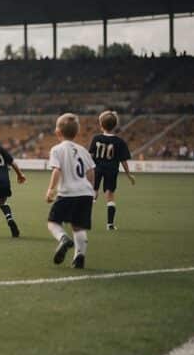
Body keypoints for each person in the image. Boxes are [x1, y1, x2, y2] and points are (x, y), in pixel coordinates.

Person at [45, 113, 96, 269]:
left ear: (58, 132)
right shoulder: (83, 150)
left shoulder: (57, 149)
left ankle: (63, 239)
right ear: (77, 132)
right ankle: (79, 256)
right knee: (78, 226)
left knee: (53, 223)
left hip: (67, 193)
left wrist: (51, 190)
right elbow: (91, 172)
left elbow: (56, 170)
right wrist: (92, 189)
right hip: (85, 193)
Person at [87, 111, 135, 230]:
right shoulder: (119, 142)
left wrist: (87, 170)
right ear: (115, 125)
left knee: (93, 193)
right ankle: (110, 224)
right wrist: (129, 174)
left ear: (101, 124)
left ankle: (85, 220)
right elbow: (123, 160)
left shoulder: (96, 138)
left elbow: (90, 156)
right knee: (110, 195)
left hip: (96, 169)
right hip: (111, 170)